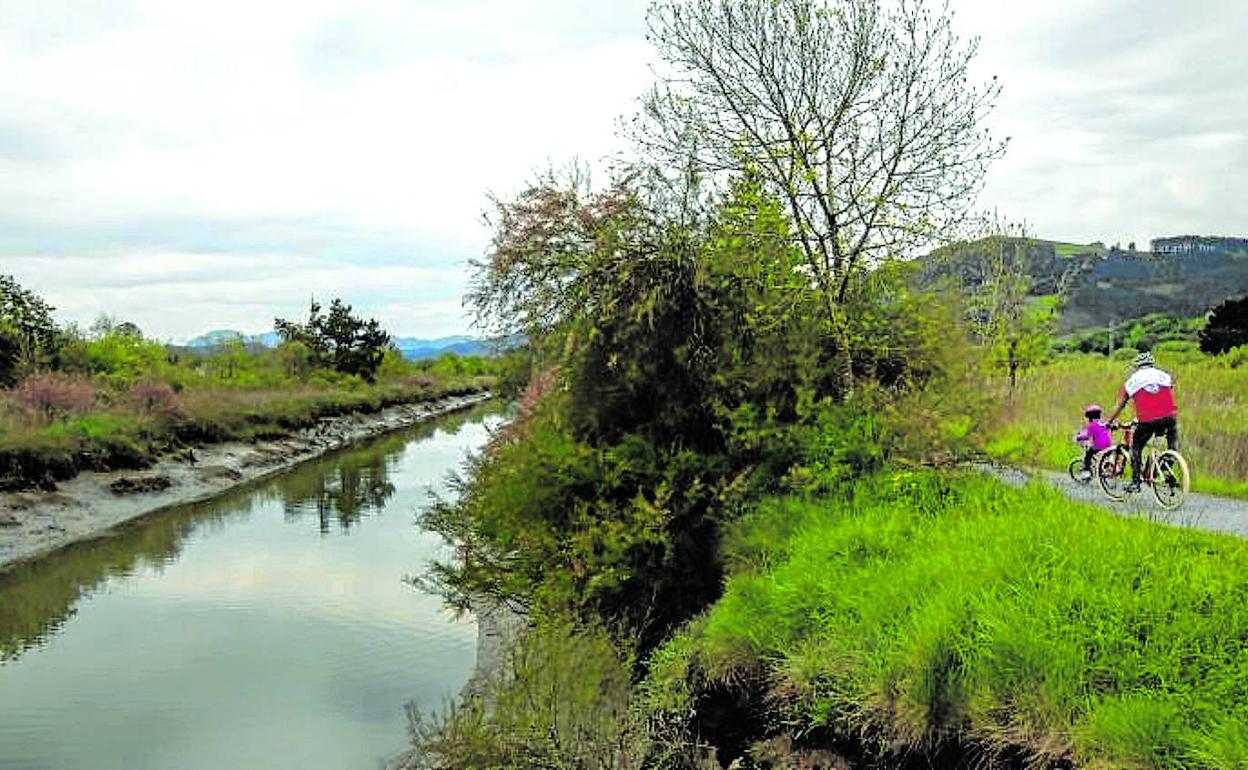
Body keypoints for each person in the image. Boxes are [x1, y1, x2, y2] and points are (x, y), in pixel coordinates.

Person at [1105, 351, 1179, 492]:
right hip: (1169, 416)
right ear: (1152, 364)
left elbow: (1120, 405)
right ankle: (1169, 461)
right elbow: (1169, 394)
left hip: (1147, 419)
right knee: (1172, 439)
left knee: (1136, 447)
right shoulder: (1164, 376)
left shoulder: (1130, 382)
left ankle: (1135, 482)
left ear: (1137, 366)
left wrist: (1108, 422)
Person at [1072, 403, 1112, 480]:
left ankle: (1086, 471)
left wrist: (1078, 437)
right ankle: (1102, 467)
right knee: (1097, 454)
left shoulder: (1092, 425)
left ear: (1089, 417)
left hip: (1098, 446)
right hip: (1108, 445)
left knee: (1088, 454)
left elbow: (1087, 435)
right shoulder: (1102, 423)